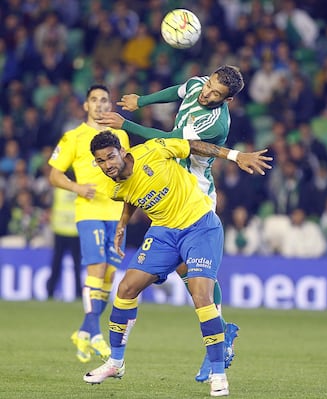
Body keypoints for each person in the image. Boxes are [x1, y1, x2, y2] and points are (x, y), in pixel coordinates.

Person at [83, 131, 272, 397]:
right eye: (100, 161)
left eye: (110, 157)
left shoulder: (154, 150)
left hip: (199, 226)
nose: (107, 165)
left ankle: (218, 374)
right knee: (125, 289)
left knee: (201, 296)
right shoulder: (110, 185)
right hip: (163, 233)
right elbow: (130, 194)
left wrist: (235, 155)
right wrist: (122, 224)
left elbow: (193, 146)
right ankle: (115, 362)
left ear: (123, 152)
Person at [96, 64, 245, 382]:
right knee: (186, 278)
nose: (207, 94)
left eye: (216, 95)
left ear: (227, 100)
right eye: (209, 87)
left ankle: (217, 345)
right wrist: (144, 100)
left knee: (196, 282)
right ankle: (222, 331)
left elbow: (169, 140)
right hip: (164, 190)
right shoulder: (197, 86)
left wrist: (127, 123)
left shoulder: (214, 121)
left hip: (193, 191)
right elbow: (179, 90)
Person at [48, 84, 130, 363]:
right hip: (90, 212)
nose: (99, 104)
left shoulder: (120, 136)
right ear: (86, 106)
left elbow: (128, 171)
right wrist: (77, 188)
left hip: (117, 214)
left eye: (104, 100)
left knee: (108, 277)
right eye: (94, 100)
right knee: (96, 269)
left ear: (110, 105)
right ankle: (96, 333)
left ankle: (84, 331)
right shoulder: (74, 137)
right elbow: (54, 175)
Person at [46, 183, 82, 299]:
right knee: (76, 266)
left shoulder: (58, 189)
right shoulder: (80, 189)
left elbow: (49, 206)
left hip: (61, 230)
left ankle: (50, 291)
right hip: (74, 231)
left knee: (56, 264)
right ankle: (78, 293)